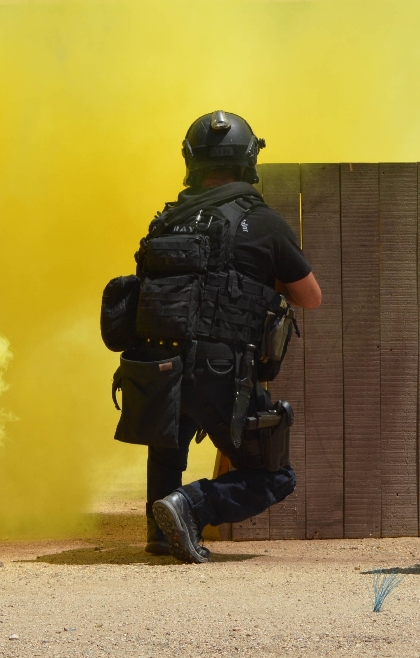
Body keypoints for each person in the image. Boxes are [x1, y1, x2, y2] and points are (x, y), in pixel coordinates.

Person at [109, 111, 321, 563]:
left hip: (155, 363)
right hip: (220, 368)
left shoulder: (165, 222)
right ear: (248, 161)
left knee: (168, 447)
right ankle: (191, 507)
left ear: (191, 160)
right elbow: (310, 297)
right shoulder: (261, 221)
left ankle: (160, 531)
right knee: (275, 475)